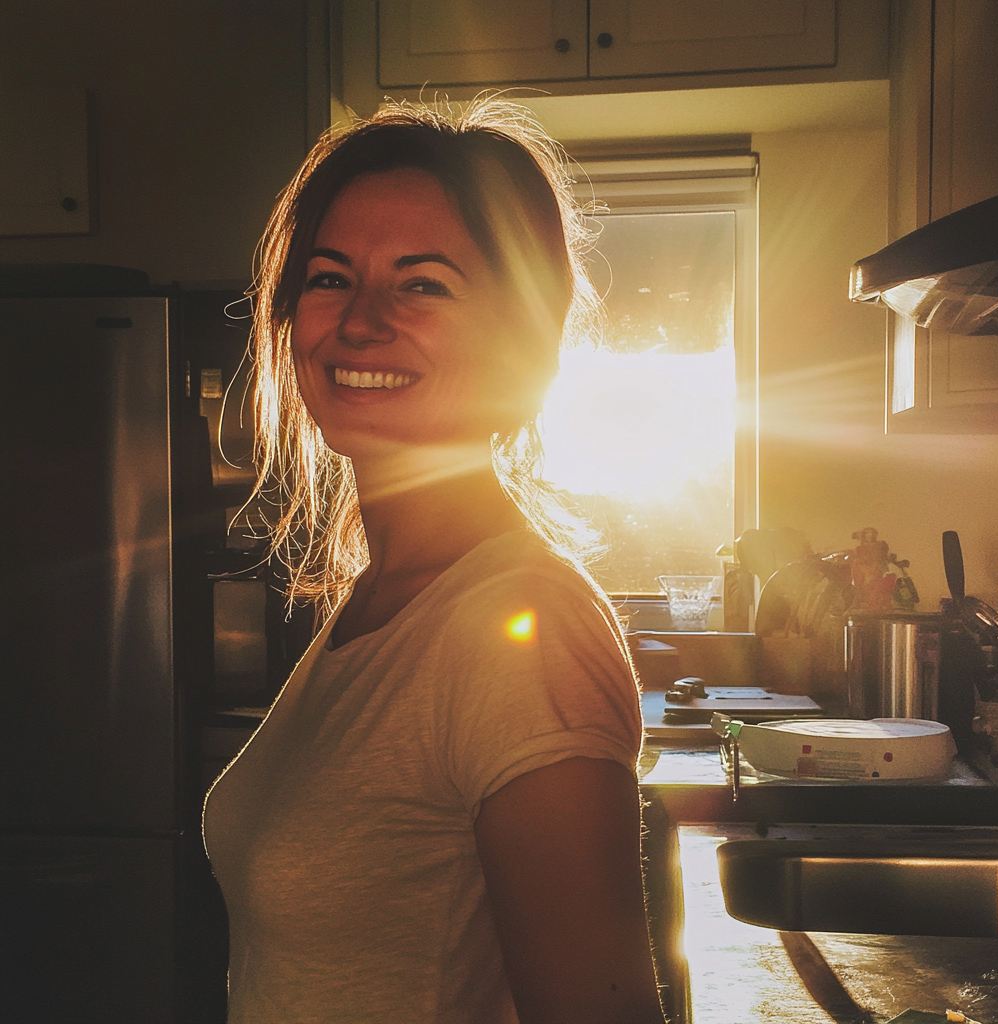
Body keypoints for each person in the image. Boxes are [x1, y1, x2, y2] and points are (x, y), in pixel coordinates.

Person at [202, 96, 666, 1024]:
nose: (362, 321)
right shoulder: (379, 599)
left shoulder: (523, 635)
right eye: (331, 279)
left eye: (424, 285)